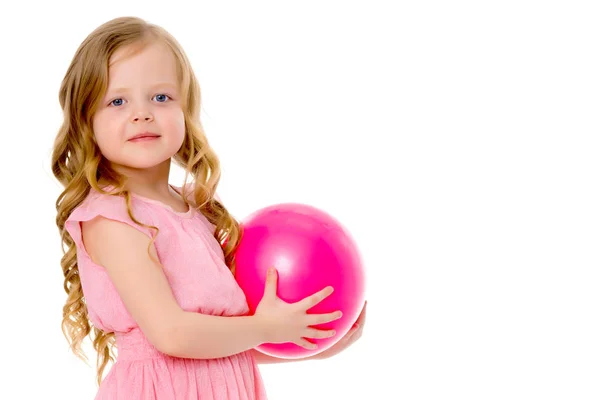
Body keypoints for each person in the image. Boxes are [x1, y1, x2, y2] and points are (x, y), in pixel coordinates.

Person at [51, 16, 366, 400]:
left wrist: (302, 341)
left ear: (186, 110)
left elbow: (217, 345)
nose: (143, 113)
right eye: (117, 101)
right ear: (87, 122)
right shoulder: (114, 218)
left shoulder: (193, 209)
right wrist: (266, 328)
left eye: (161, 97)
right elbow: (173, 335)